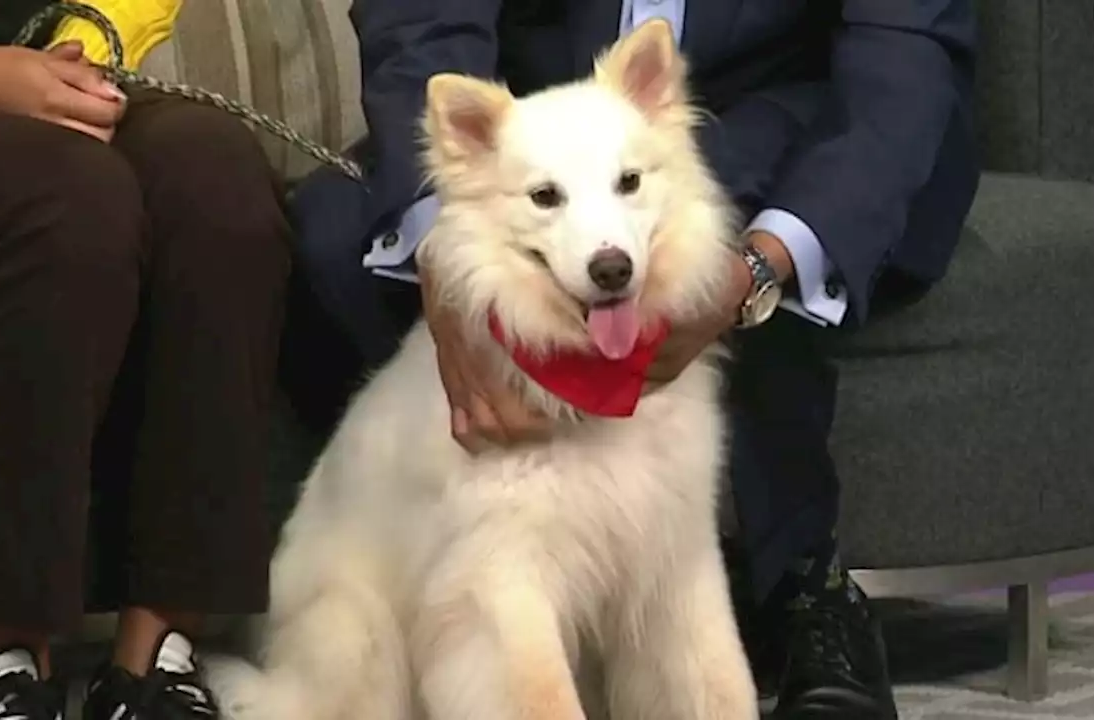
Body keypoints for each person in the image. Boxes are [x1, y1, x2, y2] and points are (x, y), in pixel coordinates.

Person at [284, 0, 981, 718]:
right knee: (342, 231)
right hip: (545, 115)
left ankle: (800, 584)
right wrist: (444, 248)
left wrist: (758, 267)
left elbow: (906, 47)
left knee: (705, 219)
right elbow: (423, 17)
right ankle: (454, 544)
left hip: (793, 103)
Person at [0, 0, 290, 717]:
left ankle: (157, 662)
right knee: (68, 195)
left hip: (43, 84)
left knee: (214, 179)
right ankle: (5, 666)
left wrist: (68, 67)